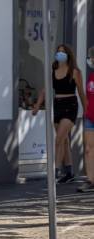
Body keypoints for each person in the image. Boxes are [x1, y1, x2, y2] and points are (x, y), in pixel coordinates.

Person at [33, 44, 88, 183]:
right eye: (58, 51)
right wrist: (37, 105)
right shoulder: (54, 69)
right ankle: (69, 172)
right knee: (64, 140)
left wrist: (88, 111)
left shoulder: (75, 71)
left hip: (70, 106)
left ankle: (55, 171)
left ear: (68, 55)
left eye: (63, 52)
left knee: (58, 140)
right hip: (57, 106)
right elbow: (45, 89)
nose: (60, 54)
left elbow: (81, 93)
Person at [78, 47, 94, 193]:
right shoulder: (91, 77)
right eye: (91, 57)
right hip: (90, 117)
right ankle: (90, 180)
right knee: (89, 149)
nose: (91, 60)